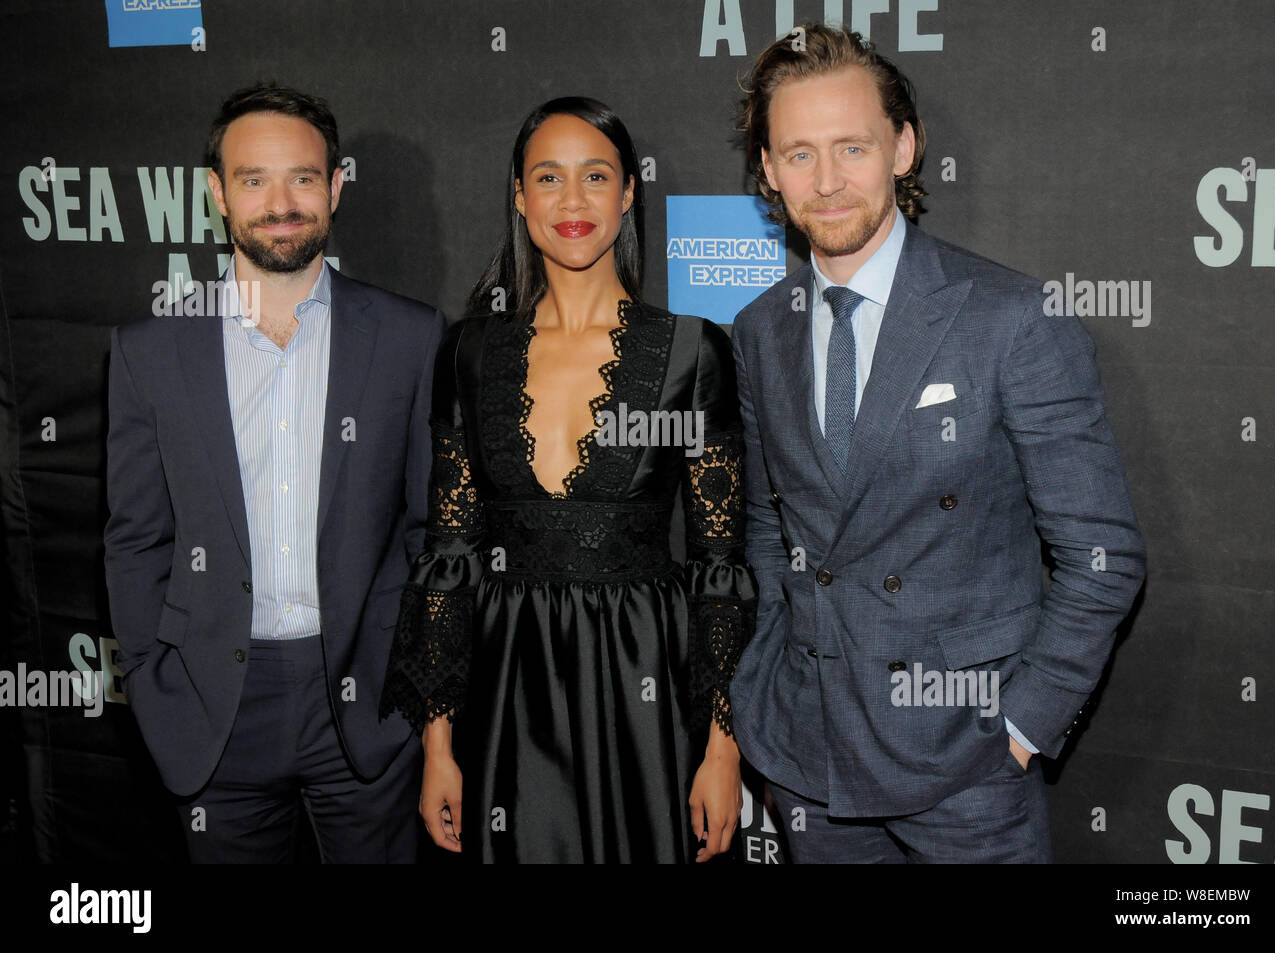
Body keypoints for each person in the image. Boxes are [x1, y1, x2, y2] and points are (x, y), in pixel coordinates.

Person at [728, 25, 1146, 862]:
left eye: (853, 146)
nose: (829, 179)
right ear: (769, 172)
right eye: (799, 154)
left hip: (968, 767)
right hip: (809, 754)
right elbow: (772, 531)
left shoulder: (1013, 318)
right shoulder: (760, 328)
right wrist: (764, 689)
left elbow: (1103, 555)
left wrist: (1019, 730)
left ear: (905, 148)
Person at [380, 96, 756, 863]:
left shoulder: (692, 353)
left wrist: (723, 751)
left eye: (596, 176)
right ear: (519, 196)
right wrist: (438, 745)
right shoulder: (470, 353)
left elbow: (721, 567)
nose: (573, 200)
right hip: (502, 676)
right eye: (548, 177)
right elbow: (449, 555)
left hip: (642, 676)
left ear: (628, 193)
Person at [104, 83, 446, 862]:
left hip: (365, 706)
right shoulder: (150, 350)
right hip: (213, 706)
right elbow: (135, 539)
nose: (280, 201)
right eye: (253, 179)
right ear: (217, 192)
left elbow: (430, 534)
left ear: (335, 185)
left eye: (302, 177)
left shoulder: (408, 336)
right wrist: (158, 686)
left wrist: (413, 691)